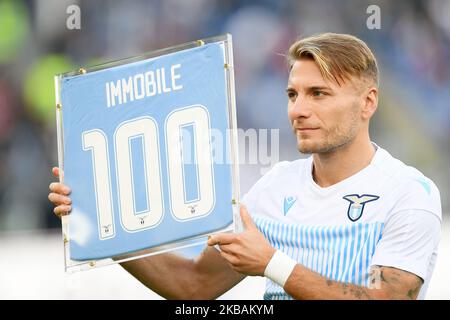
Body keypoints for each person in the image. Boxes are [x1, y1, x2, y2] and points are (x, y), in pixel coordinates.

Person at [48, 33, 442, 300]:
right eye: (293, 94)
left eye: (319, 94)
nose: (299, 110)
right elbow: (194, 285)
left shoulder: (408, 193)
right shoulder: (275, 187)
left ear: (368, 102)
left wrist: (273, 264)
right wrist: (103, 220)